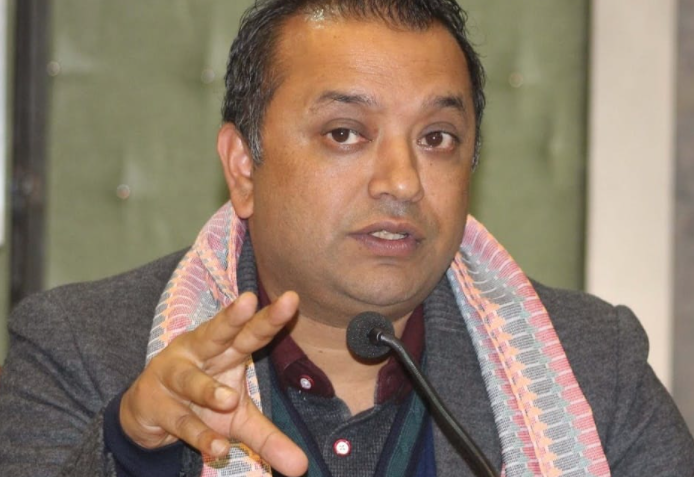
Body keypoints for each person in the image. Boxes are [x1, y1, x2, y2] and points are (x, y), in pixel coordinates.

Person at [0, 0, 693, 476]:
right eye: (345, 133)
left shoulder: (592, 366)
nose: (402, 182)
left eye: (437, 138)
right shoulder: (82, 351)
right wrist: (133, 451)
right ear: (243, 167)